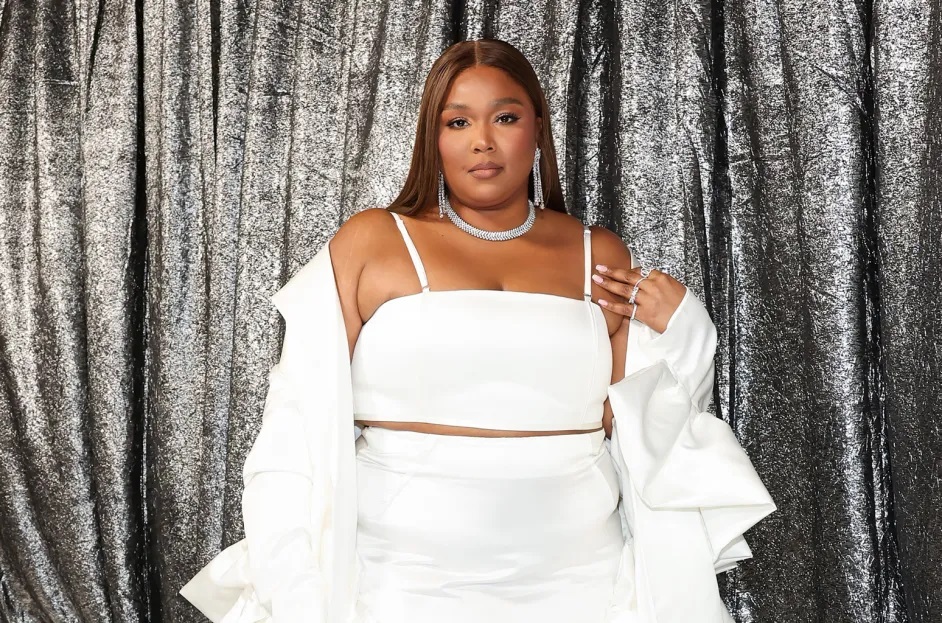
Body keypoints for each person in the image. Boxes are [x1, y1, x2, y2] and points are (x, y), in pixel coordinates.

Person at [181, 39, 775, 623]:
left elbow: (639, 434)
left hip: (579, 578)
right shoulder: (372, 241)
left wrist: (683, 331)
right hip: (398, 581)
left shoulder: (596, 250)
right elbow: (295, 427)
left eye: (506, 117)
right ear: (433, 138)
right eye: (458, 121)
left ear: (538, 128)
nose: (482, 141)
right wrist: (295, 593)